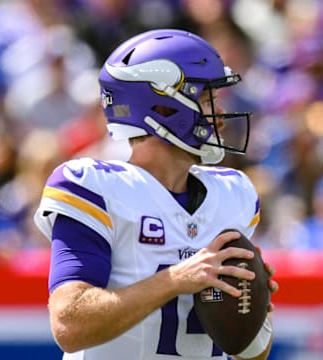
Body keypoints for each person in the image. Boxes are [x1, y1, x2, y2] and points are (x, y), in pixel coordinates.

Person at [34, 29, 278, 360]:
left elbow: (251, 354)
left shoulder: (235, 193)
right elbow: (70, 325)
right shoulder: (95, 187)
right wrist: (176, 280)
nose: (219, 116)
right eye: (207, 100)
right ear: (163, 109)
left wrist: (254, 307)